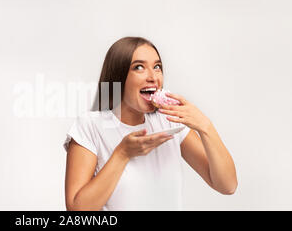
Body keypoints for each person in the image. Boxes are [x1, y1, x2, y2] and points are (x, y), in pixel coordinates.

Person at [63, 37, 237, 211]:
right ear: (119, 76)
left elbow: (227, 185)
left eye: (157, 67)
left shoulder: (168, 120)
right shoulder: (91, 126)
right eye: (139, 67)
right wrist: (122, 154)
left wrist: (205, 127)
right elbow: (77, 210)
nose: (153, 77)